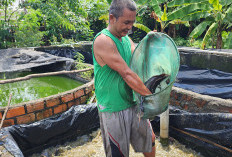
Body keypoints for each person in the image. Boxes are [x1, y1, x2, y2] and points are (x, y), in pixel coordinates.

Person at [92, 0, 156, 156]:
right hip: (113, 108)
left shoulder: (126, 39)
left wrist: (149, 42)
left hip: (132, 101)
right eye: (126, 22)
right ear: (112, 18)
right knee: (118, 152)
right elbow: (127, 74)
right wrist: (152, 97)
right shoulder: (103, 41)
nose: (130, 27)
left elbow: (138, 56)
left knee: (150, 140)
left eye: (132, 22)